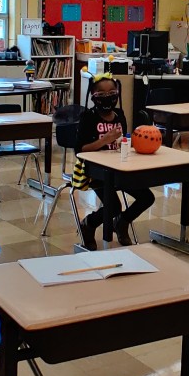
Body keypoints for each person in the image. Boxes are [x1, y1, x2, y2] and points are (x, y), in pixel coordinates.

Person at [76, 74, 155, 250]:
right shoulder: (88, 117)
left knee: (147, 197)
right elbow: (81, 150)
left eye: (112, 92)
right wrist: (104, 140)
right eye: (102, 94)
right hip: (96, 171)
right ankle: (88, 224)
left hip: (120, 168)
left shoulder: (119, 114)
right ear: (93, 96)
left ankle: (122, 222)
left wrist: (135, 142)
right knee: (113, 207)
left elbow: (123, 140)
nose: (108, 97)